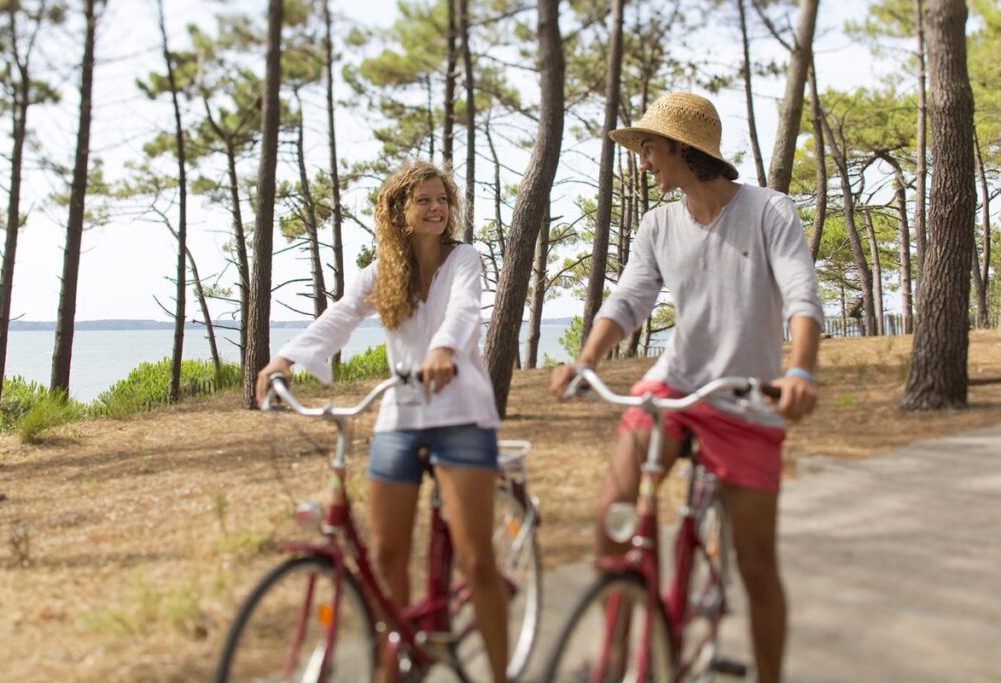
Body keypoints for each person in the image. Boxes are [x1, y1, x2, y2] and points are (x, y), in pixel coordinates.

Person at [550, 92, 823, 683]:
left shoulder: (769, 211)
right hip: (673, 387)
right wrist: (586, 360)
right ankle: (616, 659)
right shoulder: (659, 223)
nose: (643, 160)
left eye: (649, 148)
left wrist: (799, 371)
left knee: (755, 563)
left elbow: (802, 295)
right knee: (613, 515)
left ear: (681, 149)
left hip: (747, 400)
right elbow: (628, 300)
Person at [256, 161, 508, 683]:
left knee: (477, 560)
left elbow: (466, 310)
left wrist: (442, 348)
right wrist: (286, 360)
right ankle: (392, 672)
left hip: (461, 417)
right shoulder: (382, 270)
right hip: (401, 417)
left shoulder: (464, 258)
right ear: (399, 210)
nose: (436, 208)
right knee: (387, 556)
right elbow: (342, 314)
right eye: (423, 200)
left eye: (442, 199)